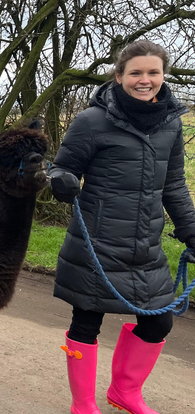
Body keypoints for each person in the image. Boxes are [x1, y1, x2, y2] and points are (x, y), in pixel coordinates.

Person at [49, 40, 195, 414]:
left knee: (158, 323)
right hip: (96, 244)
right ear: (119, 76)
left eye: (152, 72)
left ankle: (124, 393)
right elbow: (61, 169)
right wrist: (61, 180)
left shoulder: (170, 124)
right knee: (86, 322)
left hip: (146, 248)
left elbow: (174, 185)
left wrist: (191, 231)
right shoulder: (92, 121)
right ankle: (82, 404)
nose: (144, 80)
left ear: (163, 76)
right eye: (135, 73)